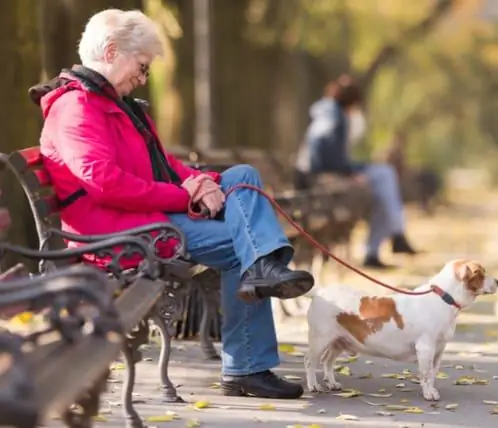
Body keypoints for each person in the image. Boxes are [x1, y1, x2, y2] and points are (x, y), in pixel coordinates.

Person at [31, 9, 314, 399]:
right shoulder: (77, 108)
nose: (143, 77)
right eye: (142, 66)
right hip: (120, 233)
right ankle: (248, 362)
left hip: (147, 216)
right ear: (112, 50)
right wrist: (187, 196)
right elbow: (104, 183)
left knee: (241, 175)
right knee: (242, 249)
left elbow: (162, 164)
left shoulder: (115, 103)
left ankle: (265, 265)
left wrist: (199, 181)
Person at [301, 74, 419, 268]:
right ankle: (395, 236)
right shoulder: (335, 116)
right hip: (324, 177)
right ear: (353, 102)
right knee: (385, 177)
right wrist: (350, 173)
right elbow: (322, 153)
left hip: (326, 173)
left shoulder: (329, 112)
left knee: (384, 189)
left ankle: (382, 246)